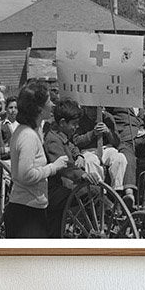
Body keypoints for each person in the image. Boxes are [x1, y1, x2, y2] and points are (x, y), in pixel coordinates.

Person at [5, 80, 70, 238]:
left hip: (31, 208)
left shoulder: (30, 131)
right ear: (39, 108)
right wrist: (53, 167)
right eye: (48, 101)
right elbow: (25, 175)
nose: (52, 105)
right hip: (26, 214)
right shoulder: (28, 136)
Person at [43, 98, 103, 237]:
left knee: (94, 189)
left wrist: (79, 156)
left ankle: (95, 221)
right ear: (63, 122)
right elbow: (63, 167)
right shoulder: (52, 140)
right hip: (54, 191)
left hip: (67, 185)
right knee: (92, 191)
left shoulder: (62, 134)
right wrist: (82, 175)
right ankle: (92, 225)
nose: (76, 127)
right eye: (74, 124)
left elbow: (71, 146)